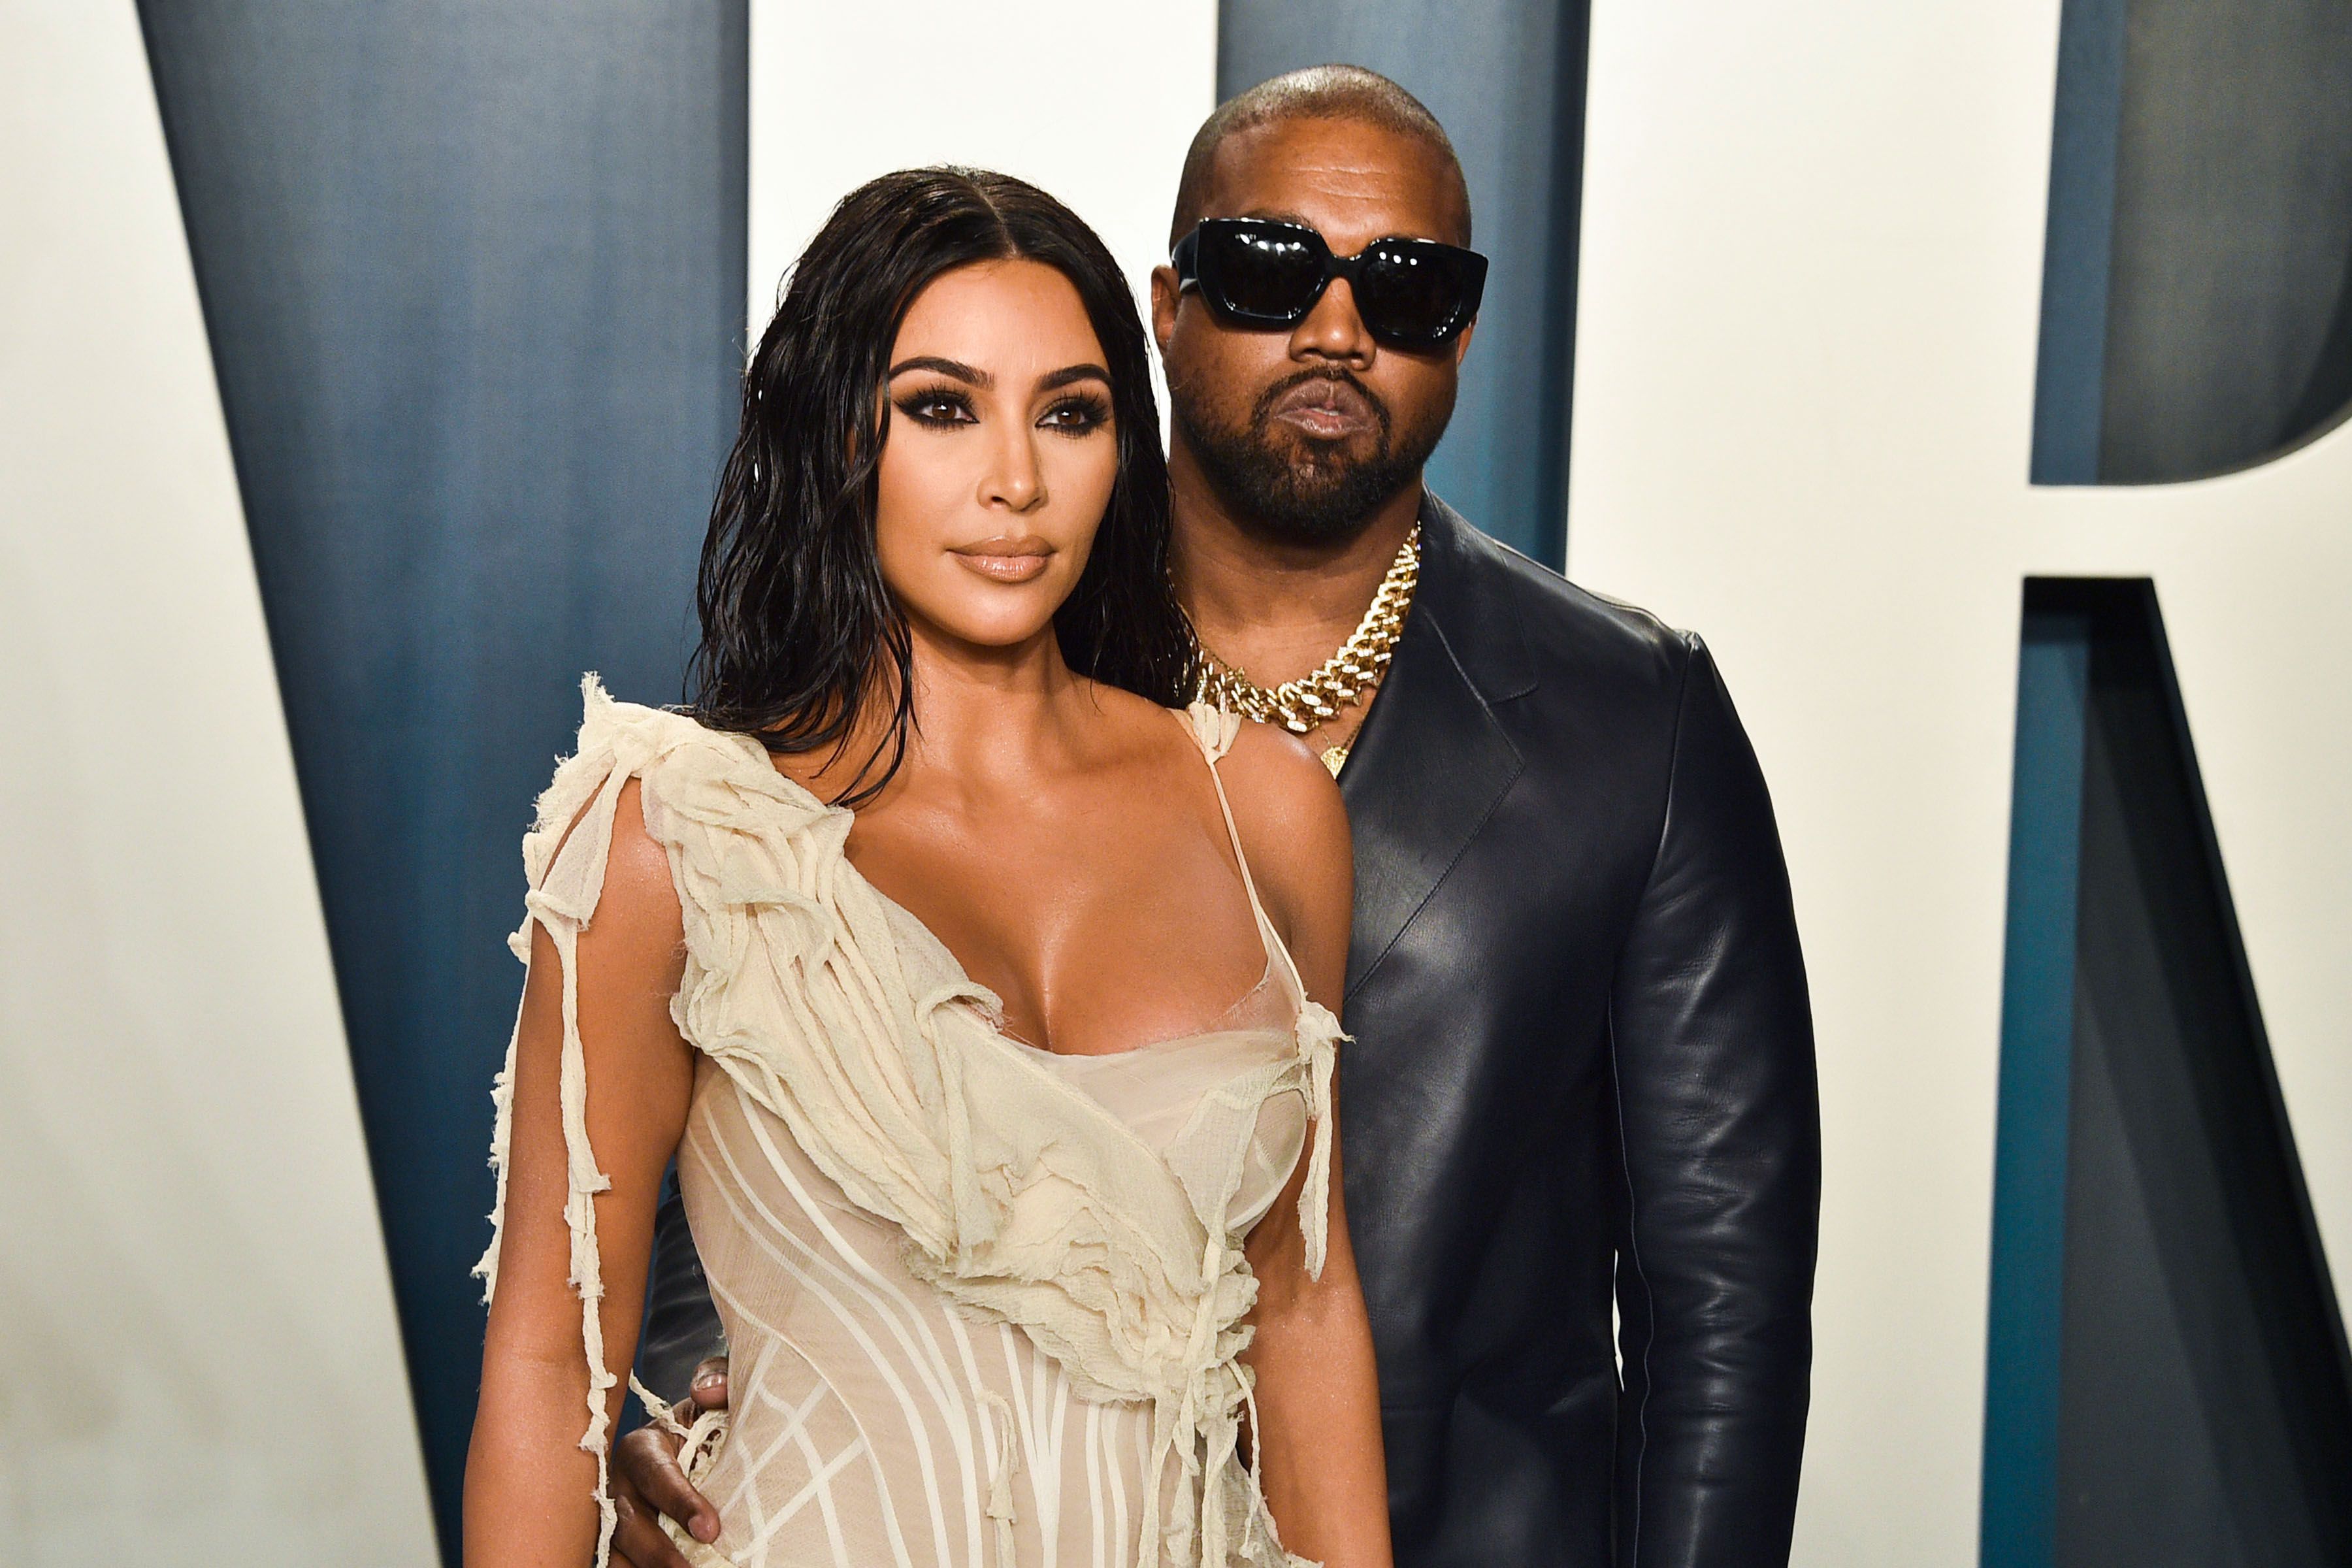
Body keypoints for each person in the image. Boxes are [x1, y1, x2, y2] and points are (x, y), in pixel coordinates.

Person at [612, 67, 1821, 1568]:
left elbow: (1727, 1296)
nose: (1336, 331)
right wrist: (682, 1410)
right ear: (1168, 307)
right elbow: (749, 1071)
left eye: (1410, 290)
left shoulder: (1635, 717)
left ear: (1464, 336)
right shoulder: (984, 640)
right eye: (1269, 273)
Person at [461, 167, 1395, 1568]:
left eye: (1068, 414)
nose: (1013, 480)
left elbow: (1308, 1310)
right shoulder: (675, 839)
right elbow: (548, 1372)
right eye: (941, 408)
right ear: (843, 436)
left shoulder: (1261, 810)